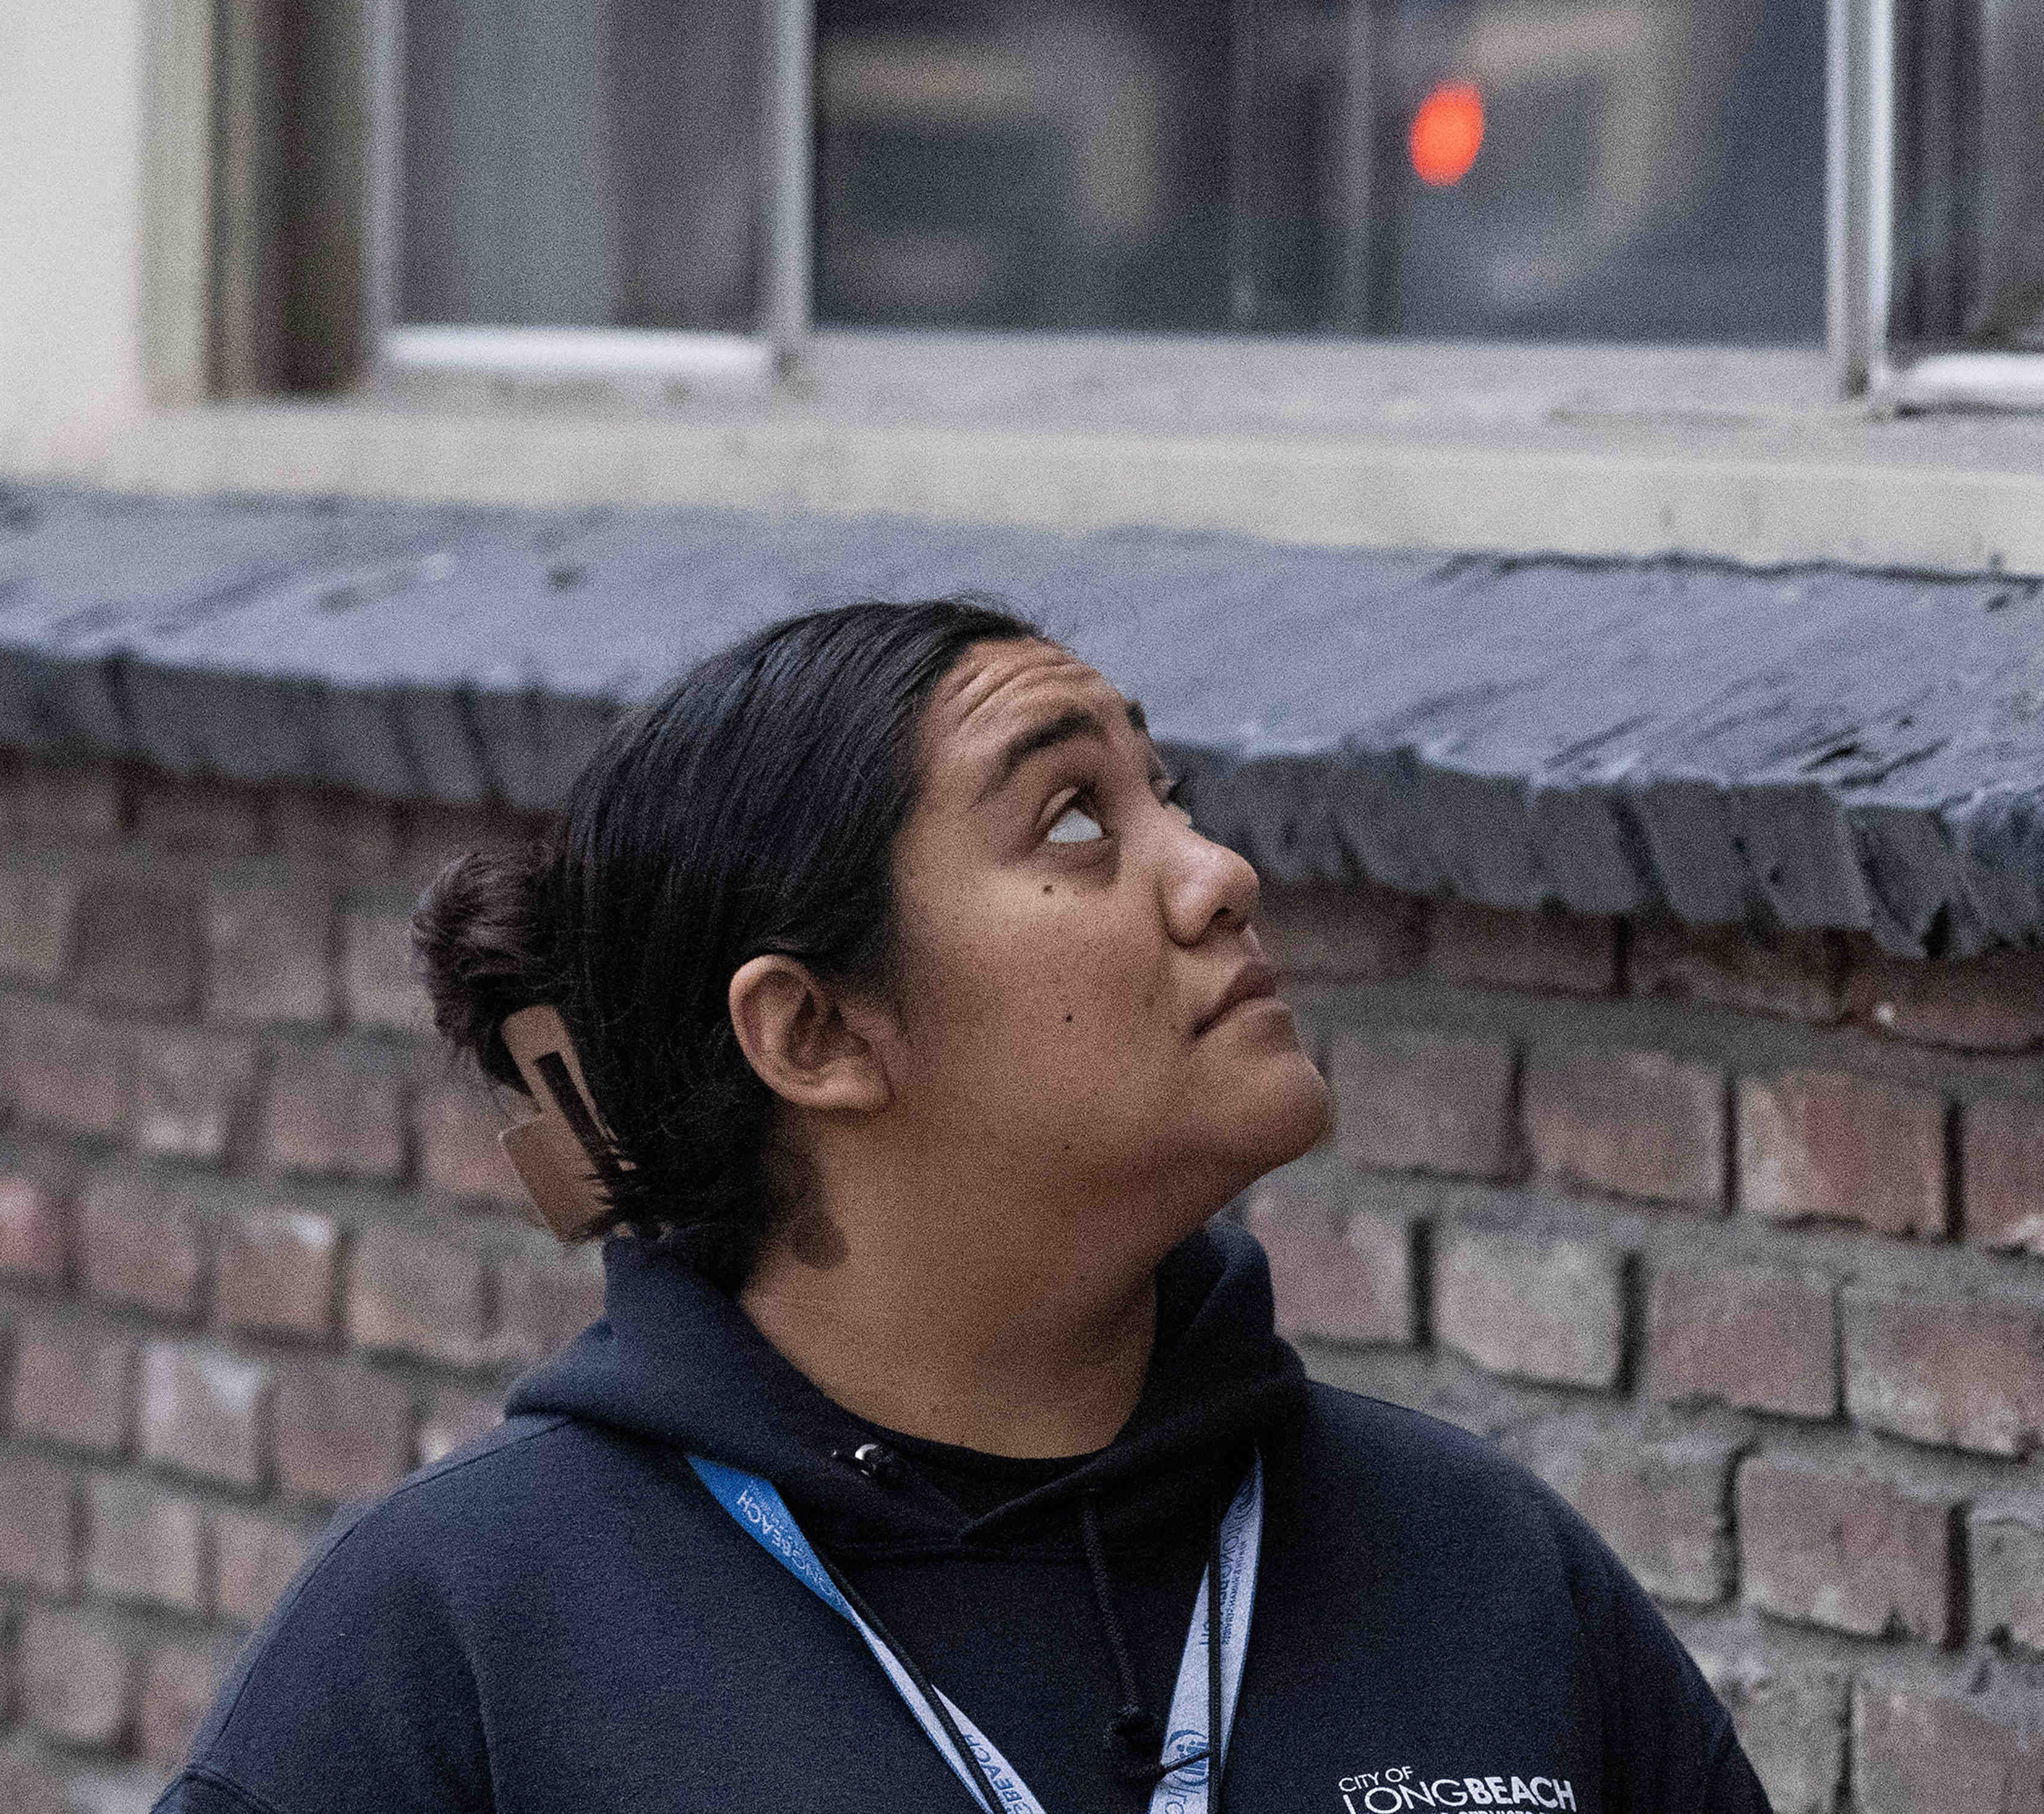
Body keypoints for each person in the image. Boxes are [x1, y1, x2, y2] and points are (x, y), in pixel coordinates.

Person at [158, 600, 1770, 1814]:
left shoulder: (1475, 1569)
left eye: (1173, 796)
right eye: (1075, 821)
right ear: (817, 1031)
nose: (1216, 874)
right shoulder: (465, 1641)